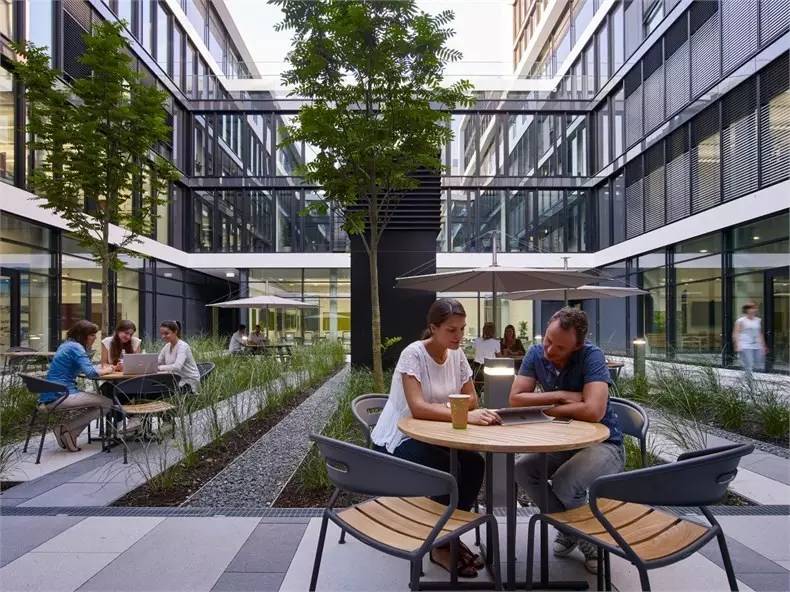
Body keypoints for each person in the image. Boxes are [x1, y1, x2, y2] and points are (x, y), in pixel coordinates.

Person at [371, 299, 501, 578]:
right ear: (433, 328)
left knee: (474, 464)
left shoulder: (457, 354)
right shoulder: (413, 355)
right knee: (447, 469)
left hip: (437, 436)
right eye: (451, 330)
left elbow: (473, 399)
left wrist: (450, 409)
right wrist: (460, 413)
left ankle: (448, 535)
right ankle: (440, 546)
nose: (459, 336)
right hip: (399, 439)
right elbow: (418, 408)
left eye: (462, 329)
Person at [508, 307, 624, 574]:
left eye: (560, 347)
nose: (549, 350)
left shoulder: (591, 356)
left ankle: (588, 543)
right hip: (565, 444)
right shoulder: (535, 353)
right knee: (522, 469)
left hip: (604, 444)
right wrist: (561, 396)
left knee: (564, 482)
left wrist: (545, 409)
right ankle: (573, 531)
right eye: (548, 340)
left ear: (577, 345)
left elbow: (594, 411)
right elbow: (515, 399)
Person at [41, 320, 114, 452]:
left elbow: (83, 369)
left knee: (97, 403)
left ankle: (71, 433)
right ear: (82, 335)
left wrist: (100, 369)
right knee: (107, 404)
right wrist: (110, 369)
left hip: (50, 394)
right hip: (61, 395)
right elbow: (91, 373)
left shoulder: (65, 345)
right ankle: (67, 429)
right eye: (92, 335)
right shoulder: (76, 348)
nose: (95, 338)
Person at [157, 320, 201, 393]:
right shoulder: (167, 346)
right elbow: (159, 360)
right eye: (161, 334)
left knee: (160, 389)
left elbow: (177, 367)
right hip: (176, 379)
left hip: (189, 382)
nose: (163, 336)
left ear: (175, 332)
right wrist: (147, 365)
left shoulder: (183, 346)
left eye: (166, 333)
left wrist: (159, 368)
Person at [733, 302, 767, 378]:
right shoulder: (740, 321)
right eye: (751, 308)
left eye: (754, 308)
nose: (753, 310)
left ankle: (747, 376)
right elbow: (736, 333)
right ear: (747, 310)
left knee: (758, 362)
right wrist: (737, 345)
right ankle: (749, 380)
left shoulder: (758, 320)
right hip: (745, 345)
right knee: (749, 363)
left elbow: (760, 333)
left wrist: (763, 345)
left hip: (757, 345)